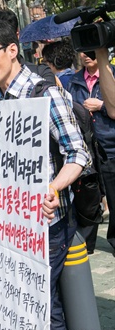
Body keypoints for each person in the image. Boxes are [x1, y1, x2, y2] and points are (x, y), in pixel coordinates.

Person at [0, 20, 90, 330]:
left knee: (41, 315)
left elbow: (78, 153)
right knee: (22, 311)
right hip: (11, 229)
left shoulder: (44, 94)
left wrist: (53, 188)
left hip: (48, 227)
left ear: (12, 50)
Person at [66, 48, 115, 256]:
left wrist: (102, 105)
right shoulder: (74, 81)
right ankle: (87, 242)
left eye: (91, 52)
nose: (86, 55)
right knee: (90, 197)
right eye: (82, 52)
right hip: (87, 148)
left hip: (110, 145)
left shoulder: (112, 74)